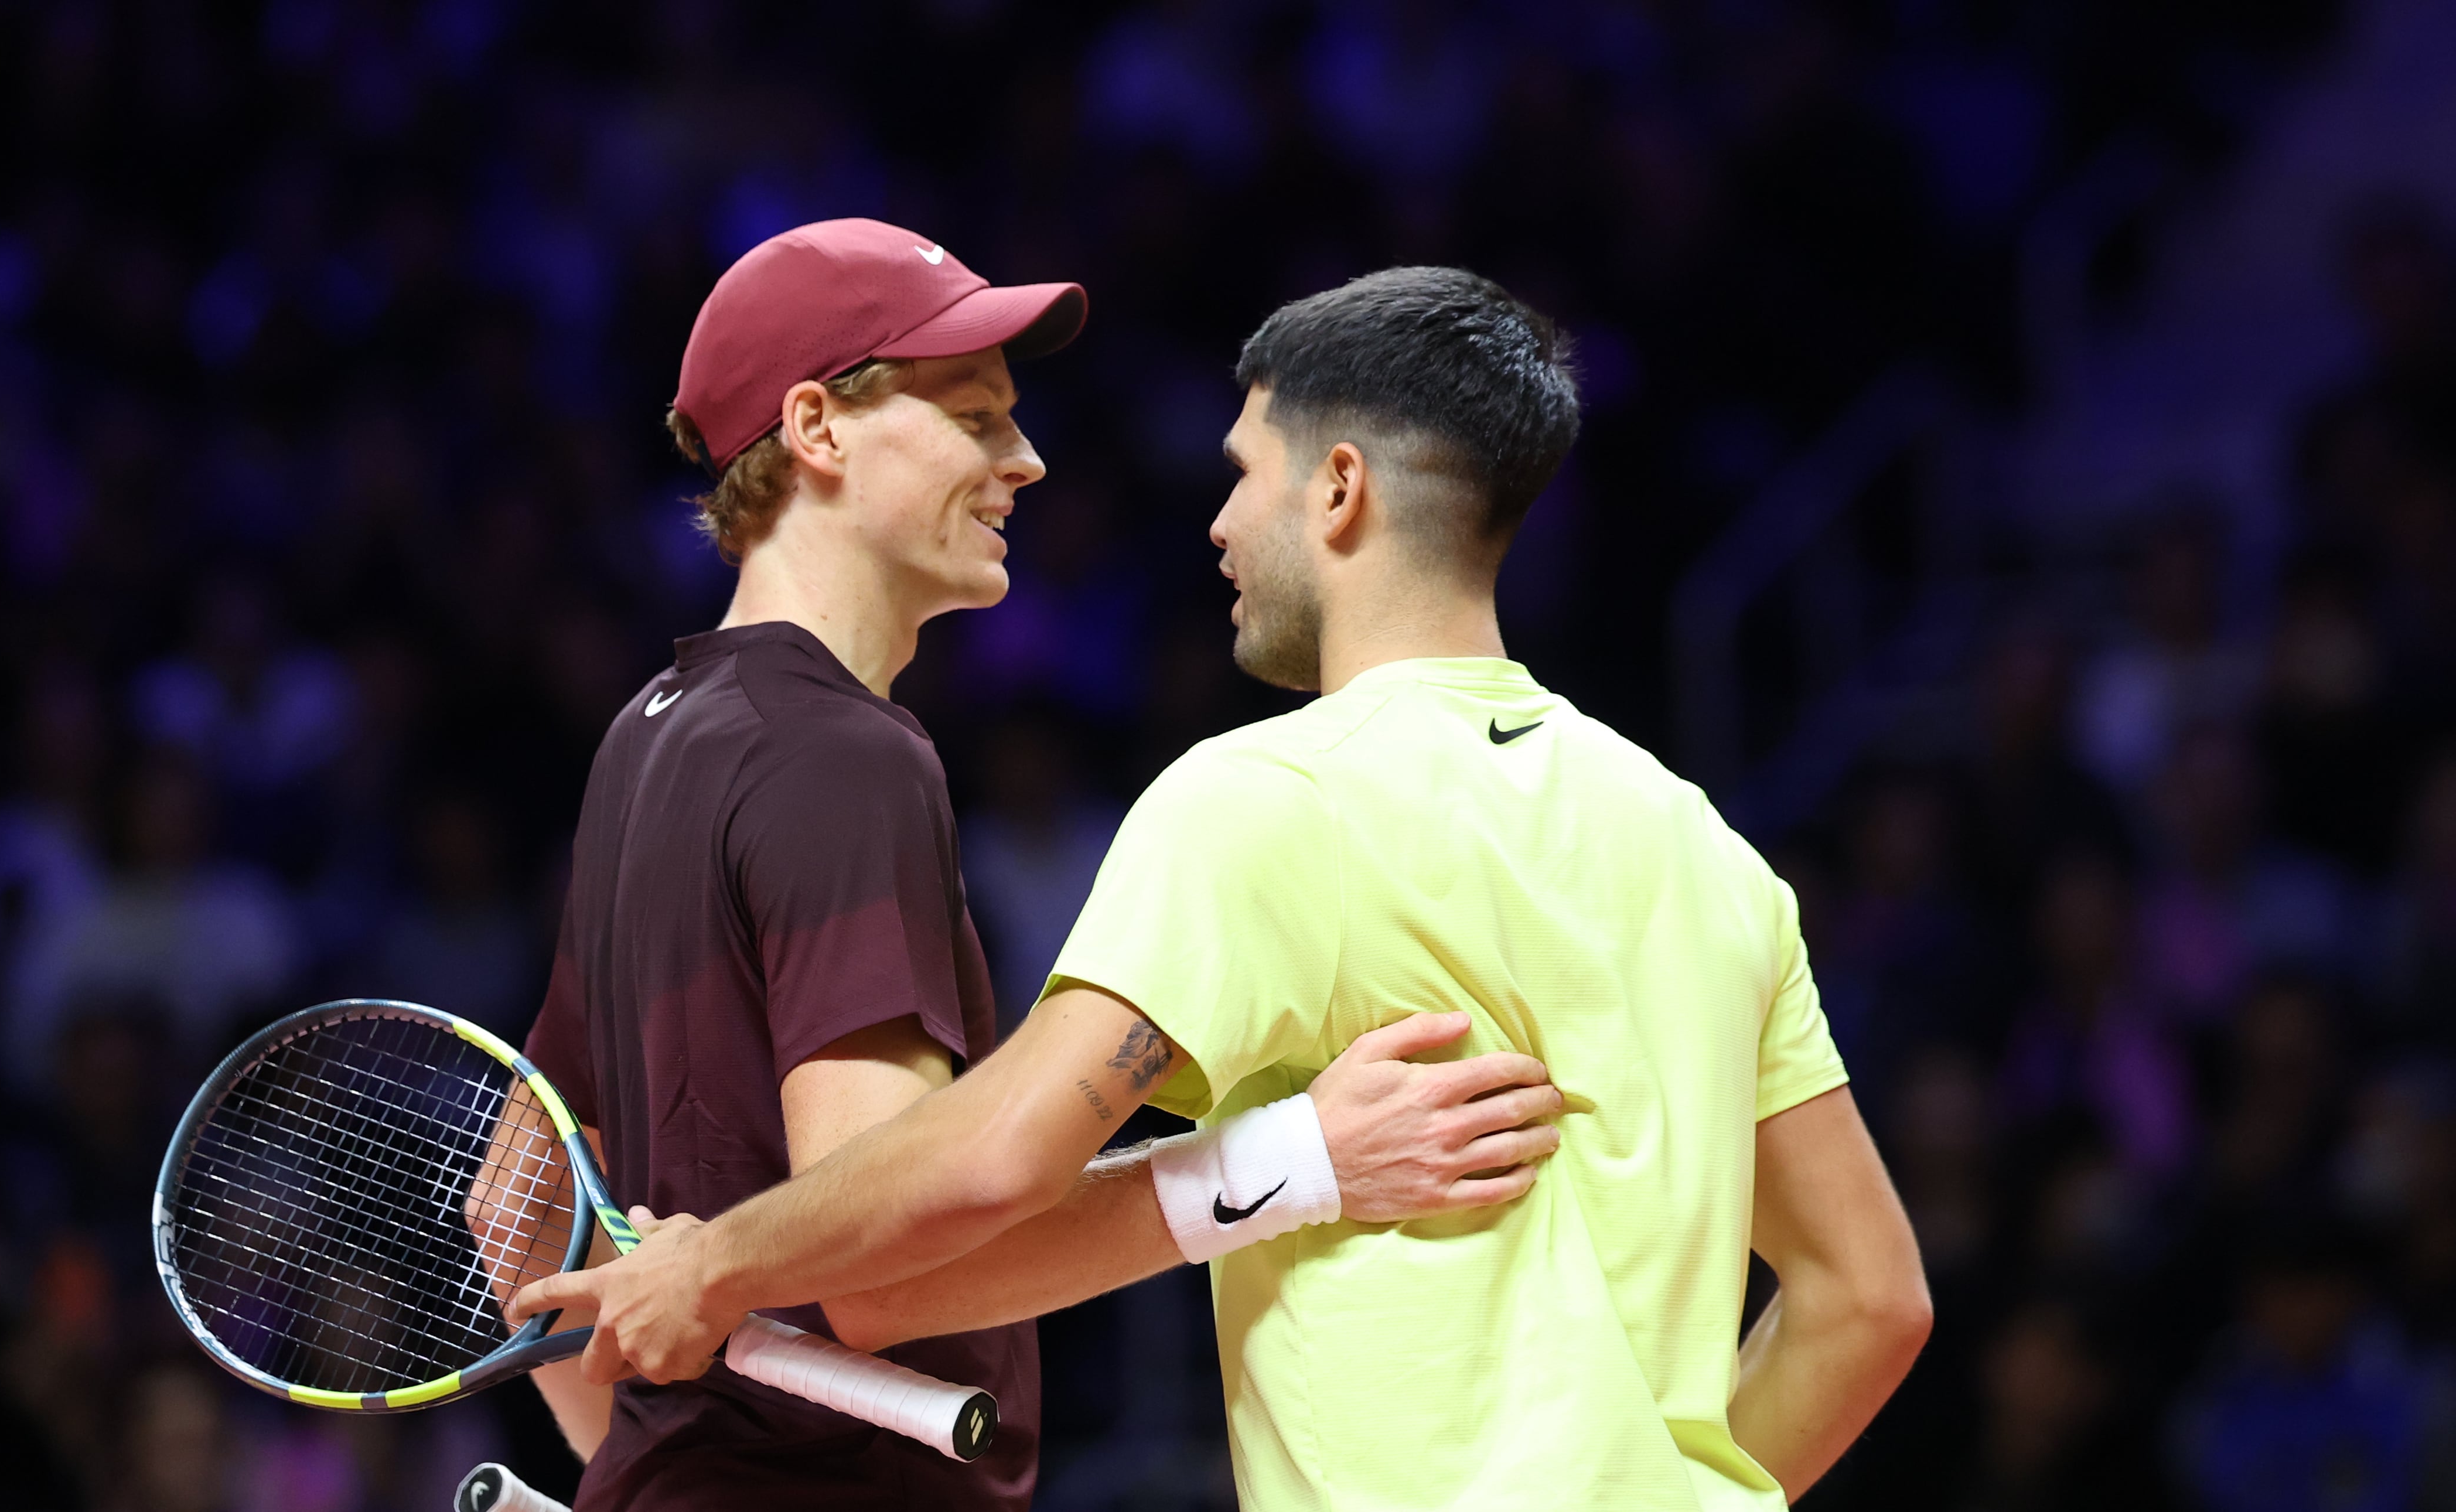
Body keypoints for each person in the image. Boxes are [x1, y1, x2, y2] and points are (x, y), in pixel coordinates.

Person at [514, 267, 1935, 1510]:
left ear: (1340, 489)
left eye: (1243, 472)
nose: (1214, 522)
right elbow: (1872, 1299)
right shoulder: (1709, 851)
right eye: (976, 413)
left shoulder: (1259, 800)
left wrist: (710, 1287)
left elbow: (937, 1214)